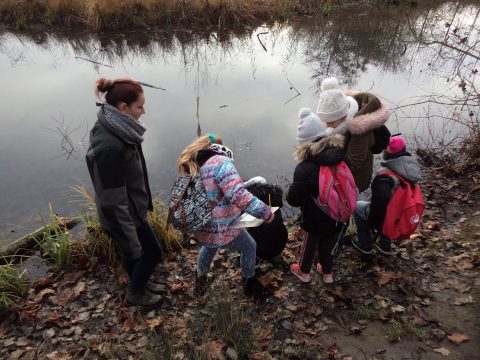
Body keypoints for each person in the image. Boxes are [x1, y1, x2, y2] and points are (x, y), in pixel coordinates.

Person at [86, 77, 163, 309]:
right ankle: (135, 293)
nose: (144, 110)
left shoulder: (116, 125)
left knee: (136, 254)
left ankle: (138, 284)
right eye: (139, 106)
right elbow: (112, 200)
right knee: (151, 254)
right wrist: (129, 234)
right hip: (123, 217)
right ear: (123, 108)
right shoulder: (110, 147)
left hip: (130, 210)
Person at [176, 134, 275, 296]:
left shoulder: (195, 164)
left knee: (208, 247)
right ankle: (249, 281)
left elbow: (213, 189)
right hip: (222, 225)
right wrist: (266, 213)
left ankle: (200, 280)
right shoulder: (221, 162)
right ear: (219, 148)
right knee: (250, 246)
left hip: (203, 223)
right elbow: (238, 195)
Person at [287, 108, 346, 283]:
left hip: (316, 217)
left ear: (304, 142)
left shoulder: (305, 167)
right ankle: (327, 273)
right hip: (339, 213)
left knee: (309, 245)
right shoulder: (340, 156)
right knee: (327, 245)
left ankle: (303, 272)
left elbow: (293, 200)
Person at [316, 77, 390, 193]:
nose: (328, 126)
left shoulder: (360, 130)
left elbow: (351, 165)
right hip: (341, 176)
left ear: (343, 115)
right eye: (325, 122)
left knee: (348, 204)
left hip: (355, 180)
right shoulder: (338, 121)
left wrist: (322, 160)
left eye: (331, 122)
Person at [352, 136, 422, 255]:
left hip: (388, 217)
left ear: (387, 154)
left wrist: (373, 222)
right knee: (389, 209)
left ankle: (365, 244)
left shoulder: (385, 176)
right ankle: (385, 245)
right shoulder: (411, 168)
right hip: (402, 213)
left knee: (358, 207)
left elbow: (380, 203)